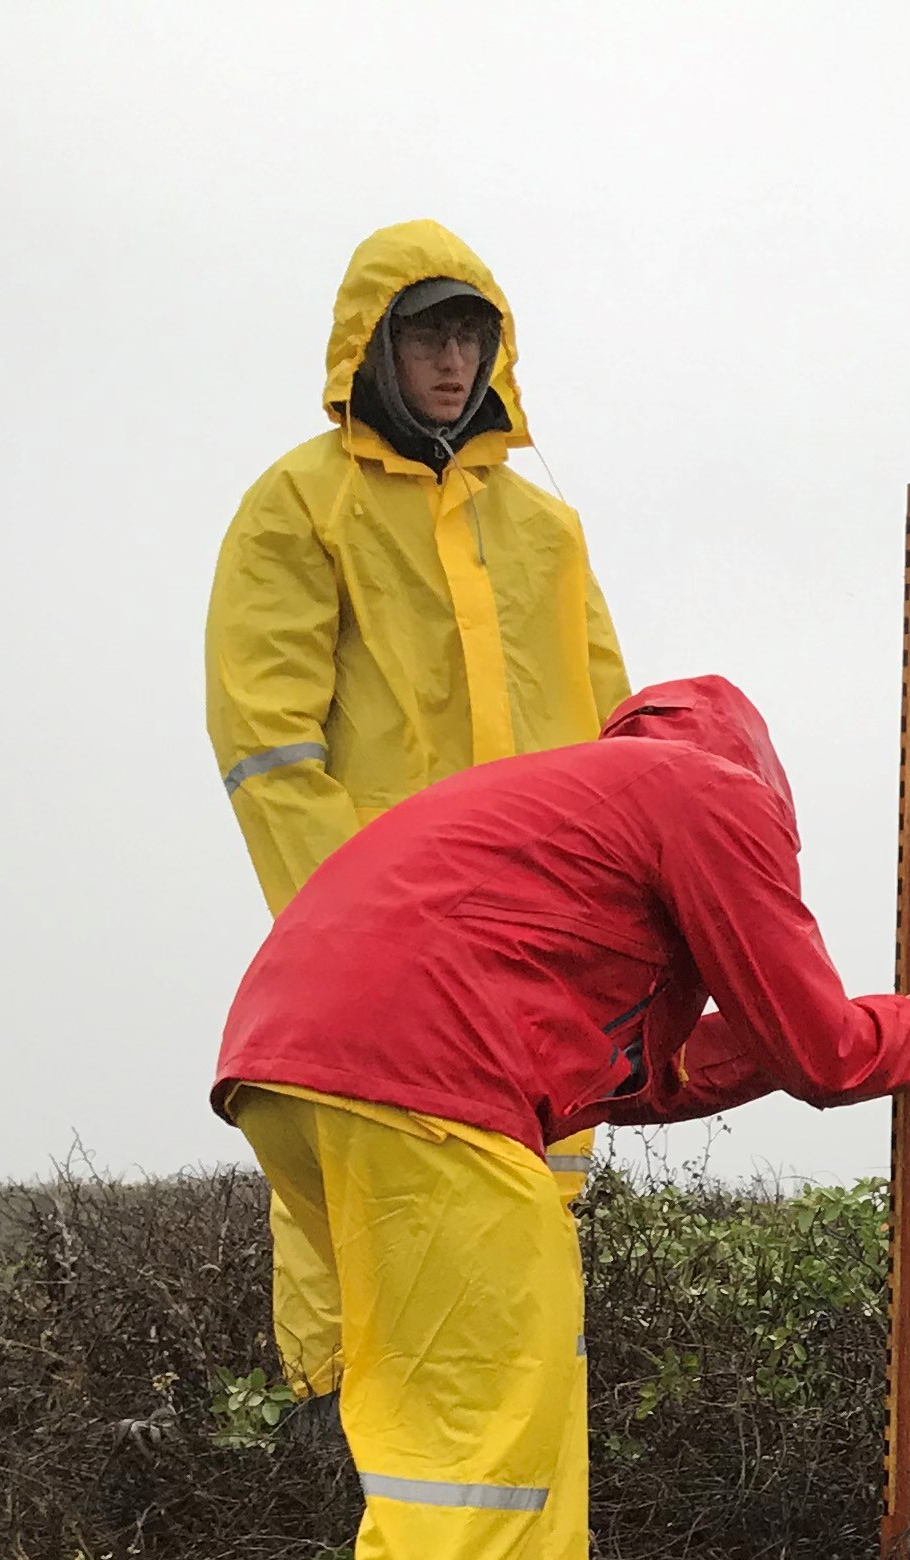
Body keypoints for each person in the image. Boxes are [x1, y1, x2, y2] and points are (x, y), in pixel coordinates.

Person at [209, 677, 910, 1560]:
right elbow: (824, 1047)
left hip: (302, 1072)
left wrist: (822, 1040)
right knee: (462, 1466)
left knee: (525, 1428)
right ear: (762, 772)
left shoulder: (576, 819)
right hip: (428, 1087)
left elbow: (648, 1076)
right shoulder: (710, 795)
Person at [208, 217, 634, 1405]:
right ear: (371, 347)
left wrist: (618, 917)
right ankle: (322, 1446)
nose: (452, 361)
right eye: (425, 334)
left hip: (537, 943)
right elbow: (267, 744)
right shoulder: (300, 504)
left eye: (470, 335)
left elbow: (613, 730)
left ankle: (516, 1461)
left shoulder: (546, 531)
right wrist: (361, 925)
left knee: (528, 1208)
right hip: (376, 940)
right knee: (362, 1192)